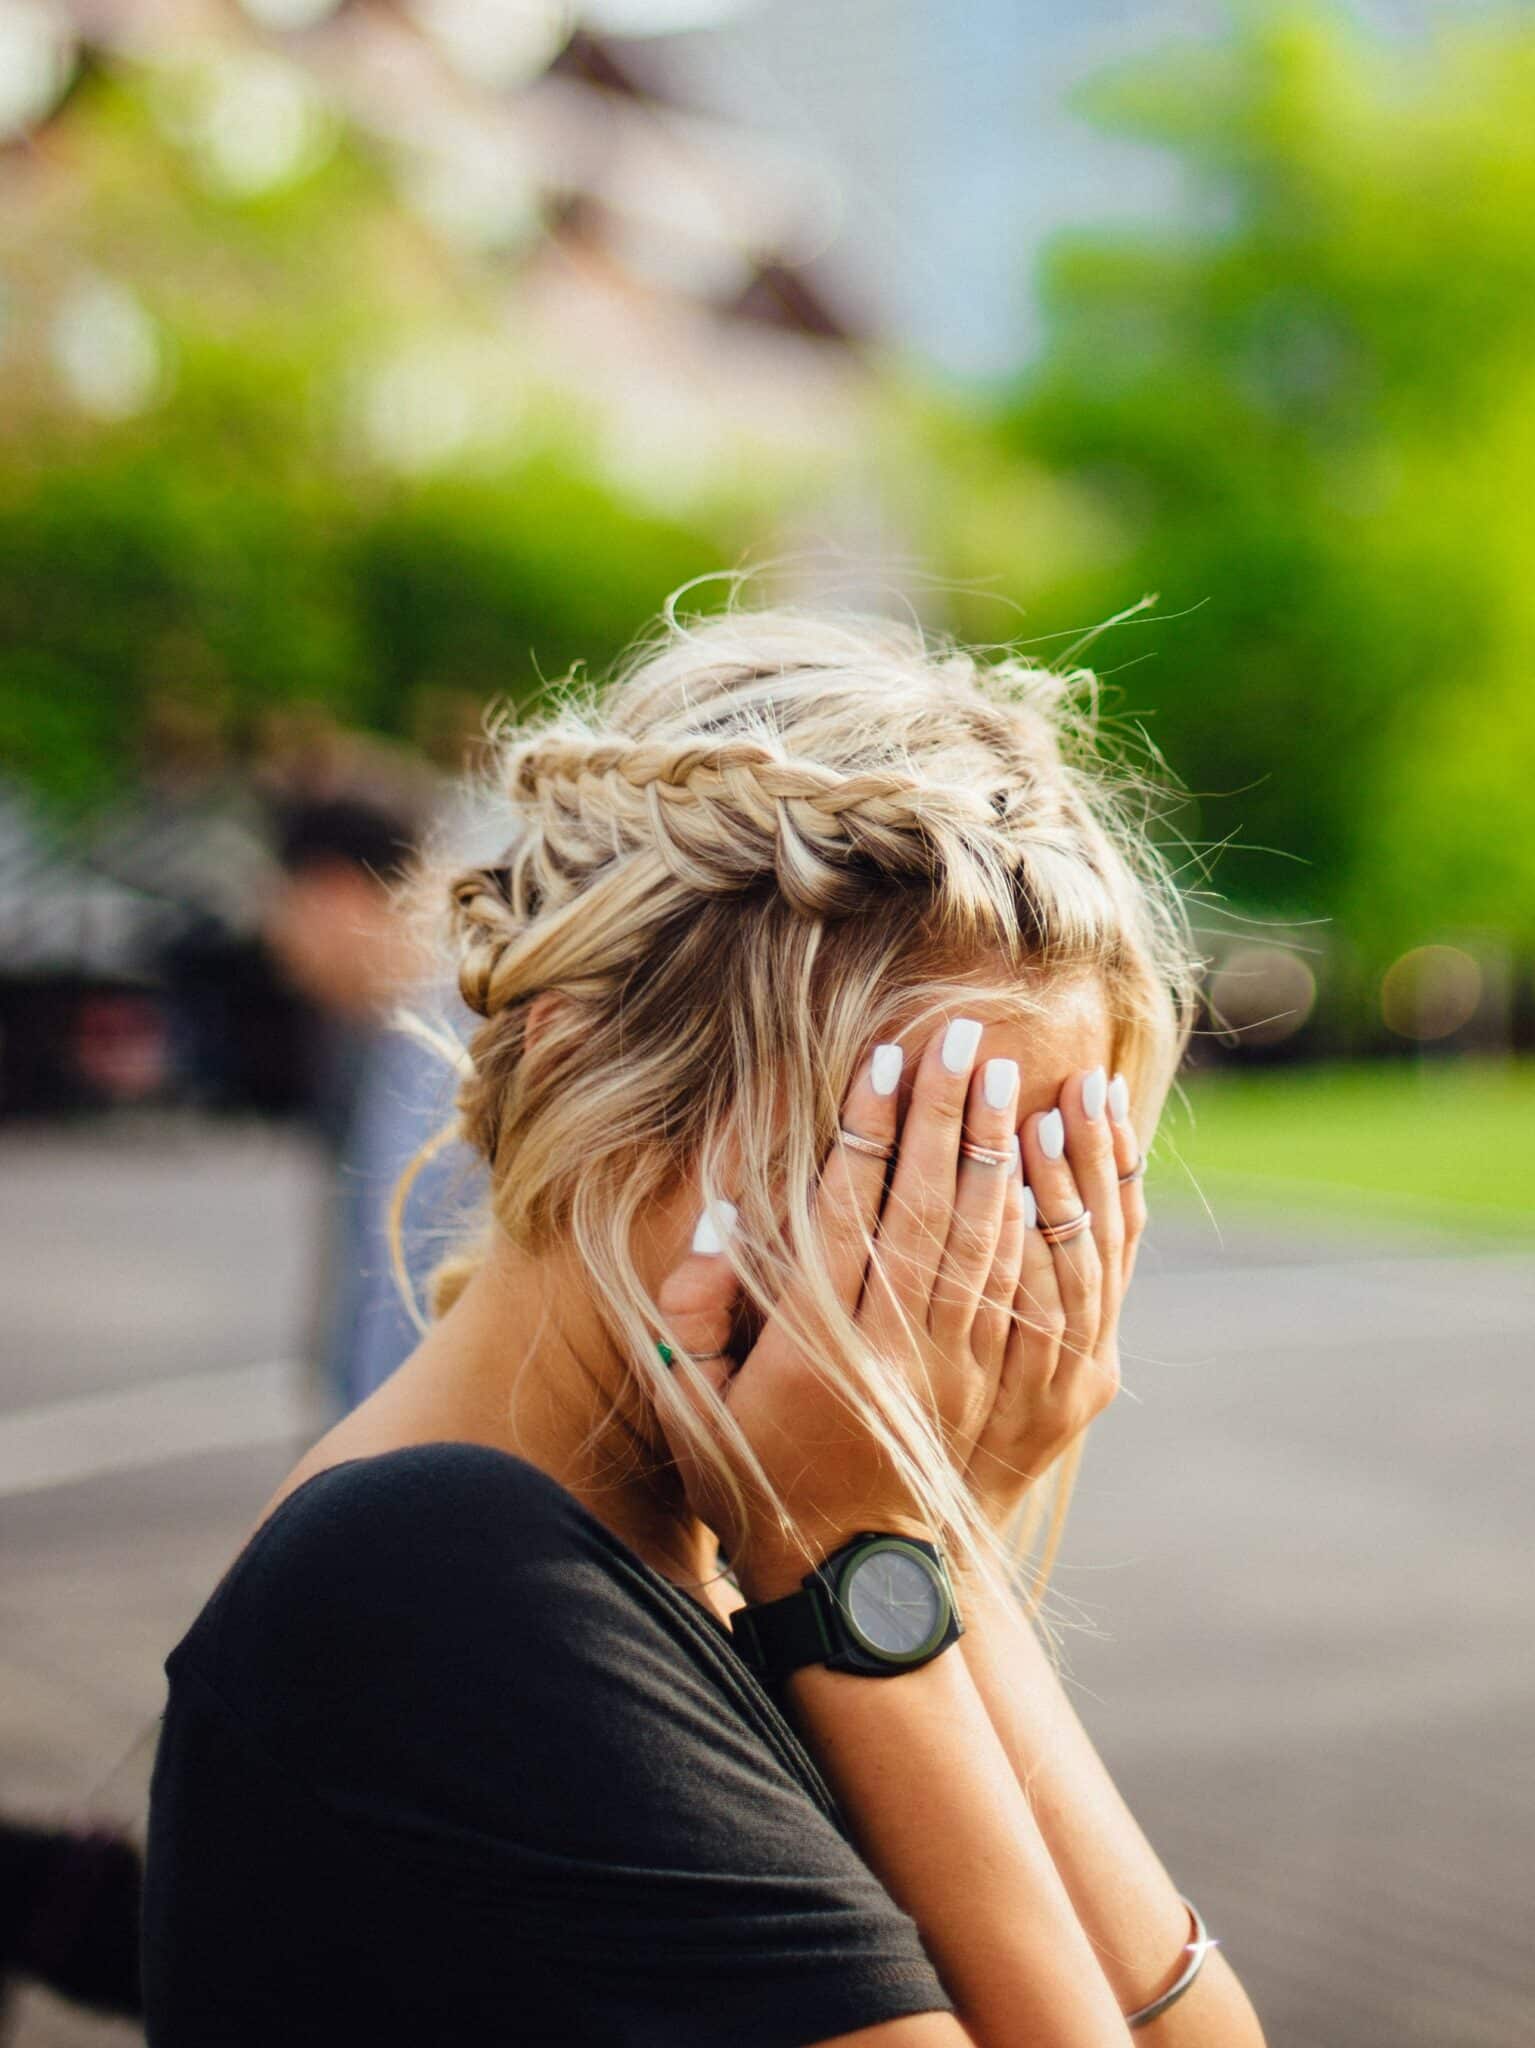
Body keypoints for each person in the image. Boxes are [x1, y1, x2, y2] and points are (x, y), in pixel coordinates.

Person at [140, 598, 1268, 2046]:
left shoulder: (747, 1532)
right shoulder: (434, 1581)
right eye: (908, 1168)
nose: (977, 1279)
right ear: (591, 1073)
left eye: (1042, 1185)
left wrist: (933, 1557)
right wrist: (863, 1578)